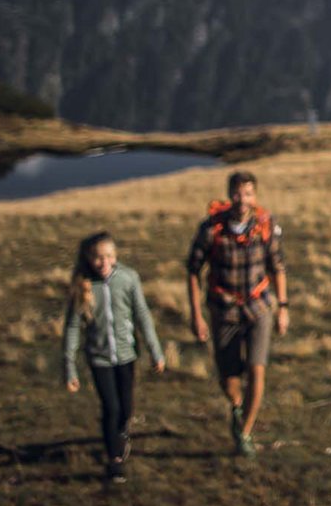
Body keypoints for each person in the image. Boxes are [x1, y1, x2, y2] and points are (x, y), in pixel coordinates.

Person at [186, 170, 289, 456]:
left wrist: (283, 307)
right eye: (237, 193)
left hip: (259, 308)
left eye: (248, 194)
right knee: (228, 377)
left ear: (254, 196)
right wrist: (196, 314)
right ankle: (236, 405)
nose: (242, 200)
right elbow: (193, 271)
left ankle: (244, 432)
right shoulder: (211, 230)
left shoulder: (265, 226)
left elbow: (278, 267)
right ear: (229, 195)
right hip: (224, 309)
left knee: (257, 370)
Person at [61, 231, 165, 483]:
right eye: (97, 257)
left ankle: (120, 437)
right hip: (99, 359)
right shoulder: (82, 285)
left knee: (126, 409)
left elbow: (142, 315)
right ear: (88, 258)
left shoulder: (128, 279)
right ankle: (114, 460)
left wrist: (155, 351)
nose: (104, 262)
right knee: (111, 407)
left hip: (127, 356)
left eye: (108, 256)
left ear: (116, 256)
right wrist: (69, 368)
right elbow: (72, 328)